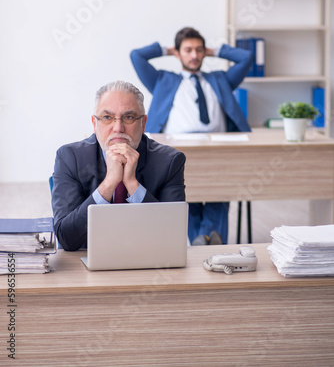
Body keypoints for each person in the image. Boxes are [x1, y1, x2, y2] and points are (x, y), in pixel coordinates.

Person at [130, 27, 252, 246]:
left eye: (199, 50)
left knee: (220, 193)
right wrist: (168, 49)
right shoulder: (162, 81)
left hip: (218, 150)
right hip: (178, 150)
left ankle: (201, 239)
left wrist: (213, 51)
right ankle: (208, 237)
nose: (194, 56)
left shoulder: (220, 80)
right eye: (188, 50)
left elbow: (246, 58)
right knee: (187, 195)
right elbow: (136, 56)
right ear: (178, 53)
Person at [51, 81, 186, 251]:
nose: (118, 128)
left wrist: (131, 183)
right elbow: (66, 238)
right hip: (86, 260)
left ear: (143, 123)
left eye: (128, 117)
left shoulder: (169, 161)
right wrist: (109, 184)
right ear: (94, 123)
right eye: (107, 117)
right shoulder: (70, 157)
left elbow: (173, 235)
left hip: (147, 259)